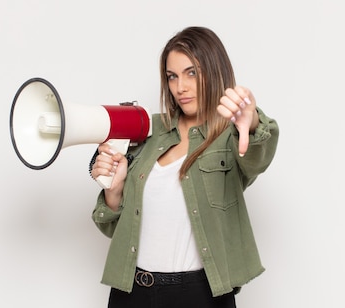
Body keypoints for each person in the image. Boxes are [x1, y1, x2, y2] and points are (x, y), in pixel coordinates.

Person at [89, 26, 279, 308]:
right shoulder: (148, 133)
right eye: (172, 76)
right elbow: (116, 230)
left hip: (199, 296)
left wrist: (250, 123)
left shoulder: (230, 136)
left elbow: (258, 154)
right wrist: (114, 193)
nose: (181, 87)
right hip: (132, 292)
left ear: (215, 72)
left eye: (192, 72)